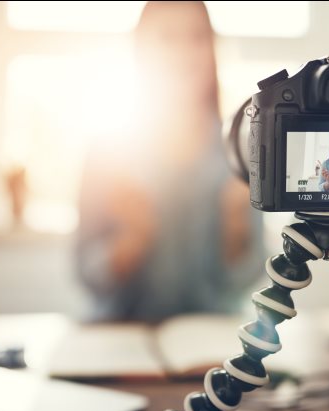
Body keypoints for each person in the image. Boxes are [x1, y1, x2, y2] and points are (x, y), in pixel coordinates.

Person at [75, 1, 264, 323]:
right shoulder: (107, 151)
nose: (184, 52)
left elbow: (249, 276)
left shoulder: (240, 150)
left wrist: (235, 230)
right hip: (122, 338)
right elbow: (86, 274)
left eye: (196, 37)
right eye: (167, 38)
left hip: (212, 342)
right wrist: (129, 242)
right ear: (142, 50)